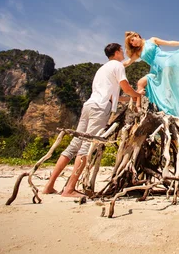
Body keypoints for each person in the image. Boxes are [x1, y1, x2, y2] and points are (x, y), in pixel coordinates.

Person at [42, 43, 143, 197]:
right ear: (116, 52)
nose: (123, 53)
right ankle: (69, 189)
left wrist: (129, 97)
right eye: (122, 50)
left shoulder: (102, 69)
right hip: (100, 108)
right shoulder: (118, 65)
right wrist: (137, 95)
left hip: (89, 106)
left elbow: (115, 96)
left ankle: (49, 186)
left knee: (73, 146)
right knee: (86, 147)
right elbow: (126, 88)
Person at [123, 31, 179, 124]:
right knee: (141, 83)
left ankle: (178, 117)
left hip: (166, 63)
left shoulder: (152, 40)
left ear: (137, 36)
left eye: (132, 40)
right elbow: (127, 62)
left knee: (170, 93)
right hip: (156, 71)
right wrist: (113, 65)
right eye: (131, 43)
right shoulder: (138, 52)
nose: (133, 43)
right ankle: (138, 108)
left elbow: (169, 43)